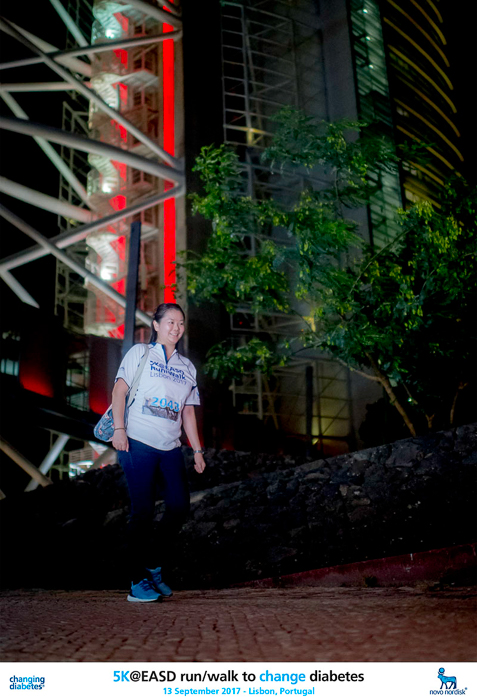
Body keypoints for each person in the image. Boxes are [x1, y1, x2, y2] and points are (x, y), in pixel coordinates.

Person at [111, 303, 206, 602]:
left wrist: (198, 450)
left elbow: (188, 412)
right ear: (156, 325)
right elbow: (119, 391)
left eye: (180, 323)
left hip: (170, 447)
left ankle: (152, 566)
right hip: (137, 441)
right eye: (170, 322)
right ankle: (136, 581)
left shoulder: (187, 367)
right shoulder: (140, 353)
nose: (176, 328)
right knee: (143, 510)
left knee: (179, 506)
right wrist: (119, 429)